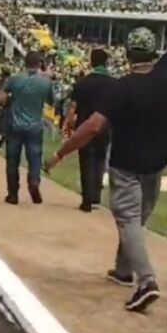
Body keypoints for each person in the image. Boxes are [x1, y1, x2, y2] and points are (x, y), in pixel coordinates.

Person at [47, 0, 167, 312]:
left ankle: (146, 281)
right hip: (156, 163)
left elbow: (92, 127)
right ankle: (124, 268)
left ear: (127, 55)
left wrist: (61, 153)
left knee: (128, 219)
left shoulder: (120, 88)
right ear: (153, 53)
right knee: (136, 220)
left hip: (126, 163)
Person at [0, 50, 54, 205]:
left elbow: (1, 98)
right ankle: (34, 181)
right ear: (39, 63)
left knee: (12, 160)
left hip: (15, 125)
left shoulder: (14, 79)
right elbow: (51, 101)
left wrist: (10, 99)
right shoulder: (46, 81)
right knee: (35, 158)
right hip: (35, 125)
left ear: (25, 63)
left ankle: (13, 194)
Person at [64, 49, 115, 212]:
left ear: (92, 62)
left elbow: (73, 108)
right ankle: (95, 197)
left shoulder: (82, 83)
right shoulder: (114, 84)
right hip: (105, 127)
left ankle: (86, 198)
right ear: (106, 62)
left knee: (86, 161)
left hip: (84, 126)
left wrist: (68, 124)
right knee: (100, 160)